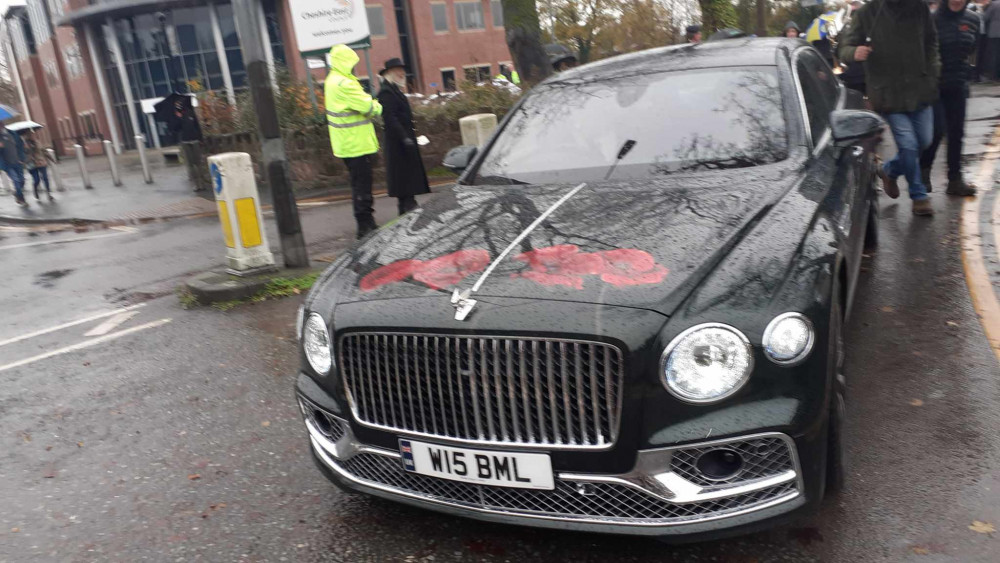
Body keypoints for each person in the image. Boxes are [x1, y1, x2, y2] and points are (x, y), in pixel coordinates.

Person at [840, 0, 941, 216]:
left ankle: (889, 171)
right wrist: (854, 52)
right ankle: (918, 195)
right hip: (888, 94)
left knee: (924, 141)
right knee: (909, 146)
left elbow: (931, 41)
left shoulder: (919, 8)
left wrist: (933, 71)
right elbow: (844, 48)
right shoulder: (868, 13)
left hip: (920, 89)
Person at [918, 0, 979, 196]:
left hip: (958, 84)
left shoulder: (973, 20)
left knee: (957, 133)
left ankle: (955, 180)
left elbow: (972, 49)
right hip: (935, 86)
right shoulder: (933, 20)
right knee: (937, 131)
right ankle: (923, 173)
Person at [325, 44, 383, 239]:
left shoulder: (331, 81)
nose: (354, 67)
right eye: (352, 62)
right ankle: (365, 225)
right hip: (357, 144)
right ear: (345, 62)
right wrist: (376, 105)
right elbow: (369, 107)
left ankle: (365, 222)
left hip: (345, 144)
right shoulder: (345, 84)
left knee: (358, 184)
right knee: (363, 186)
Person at [376, 58, 430, 216]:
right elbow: (390, 118)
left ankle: (406, 209)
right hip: (397, 143)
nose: (402, 73)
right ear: (389, 73)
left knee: (407, 181)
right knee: (404, 181)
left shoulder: (395, 90)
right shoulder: (386, 92)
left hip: (404, 141)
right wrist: (404, 136)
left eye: (402, 70)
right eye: (398, 70)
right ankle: (408, 208)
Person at [840, 0, 868, 95]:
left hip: (869, 76)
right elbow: (842, 52)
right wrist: (852, 52)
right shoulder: (846, 28)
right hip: (856, 76)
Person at [0, 126, 27, 207]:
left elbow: (20, 146)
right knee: (15, 180)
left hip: (17, 162)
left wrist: (21, 158)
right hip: (8, 164)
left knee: (21, 180)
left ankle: (17, 193)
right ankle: (21, 199)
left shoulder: (13, 133)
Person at [23, 129, 53, 202]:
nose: (33, 136)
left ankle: (48, 193)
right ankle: (35, 190)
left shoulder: (37, 142)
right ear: (27, 136)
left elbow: (44, 151)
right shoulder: (24, 144)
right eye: (31, 135)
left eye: (33, 134)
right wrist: (28, 151)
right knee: (37, 179)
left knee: (45, 178)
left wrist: (52, 159)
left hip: (41, 162)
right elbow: (23, 155)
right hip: (32, 164)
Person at [985, 0, 1000, 79]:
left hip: (994, 32)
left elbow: (986, 17)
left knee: (994, 54)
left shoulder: (994, 4)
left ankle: (993, 75)